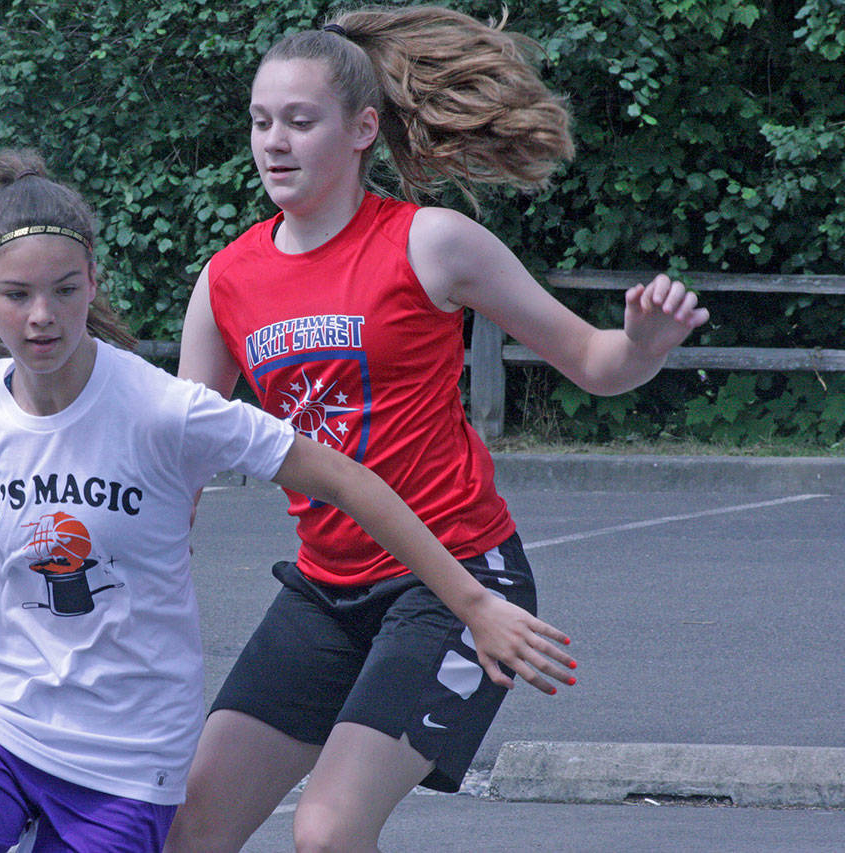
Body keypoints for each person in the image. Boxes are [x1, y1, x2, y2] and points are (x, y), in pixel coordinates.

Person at [0, 149, 575, 853]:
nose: (42, 315)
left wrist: (474, 601)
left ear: (92, 282)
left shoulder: (164, 410)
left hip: (125, 751)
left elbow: (347, 478)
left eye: (63, 290)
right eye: (19, 294)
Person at [165, 7, 709, 853]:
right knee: (188, 830)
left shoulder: (430, 243)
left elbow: (597, 363)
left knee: (328, 830)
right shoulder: (226, 280)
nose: (275, 141)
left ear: (361, 129)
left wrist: (642, 342)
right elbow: (176, 467)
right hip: (324, 589)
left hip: (458, 581)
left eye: (301, 122)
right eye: (261, 121)